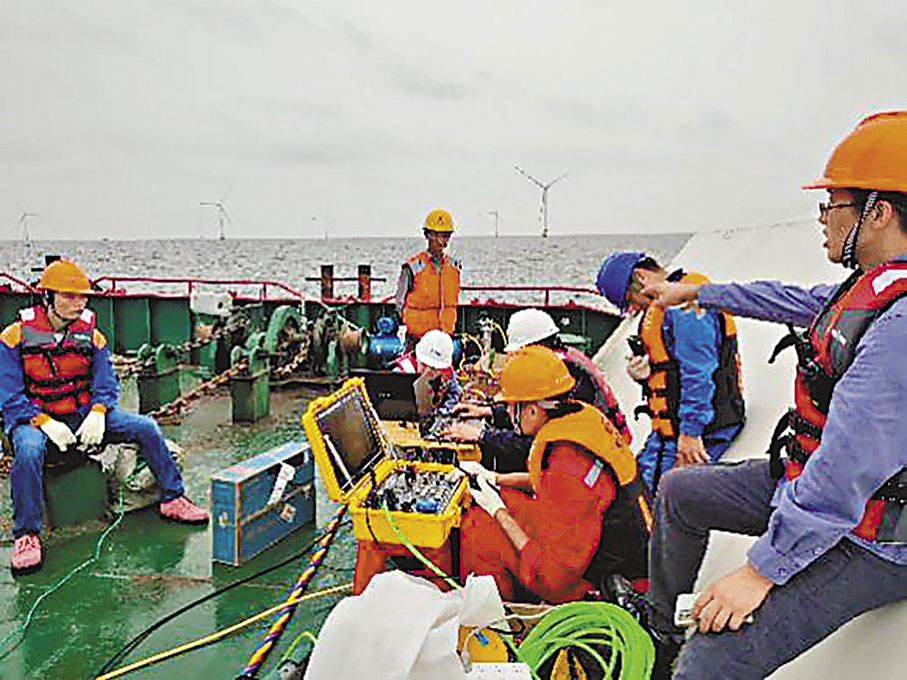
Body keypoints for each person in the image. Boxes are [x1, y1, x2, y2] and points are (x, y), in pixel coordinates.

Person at [640, 111, 907, 679]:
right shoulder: (872, 290)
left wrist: (759, 571)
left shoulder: (900, 328)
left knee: (710, 661)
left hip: (872, 534)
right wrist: (700, 293)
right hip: (809, 485)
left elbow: (844, 473)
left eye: (832, 204)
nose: (823, 219)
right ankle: (659, 634)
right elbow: (790, 299)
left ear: (878, 212)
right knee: (679, 492)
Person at [0, 259, 209, 575]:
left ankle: (172, 498)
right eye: (69, 296)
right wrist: (44, 422)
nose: (78, 303)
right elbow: (9, 397)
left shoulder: (92, 337)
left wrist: (98, 413)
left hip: (82, 414)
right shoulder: (13, 337)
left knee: (146, 427)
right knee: (28, 452)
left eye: (82, 297)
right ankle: (26, 534)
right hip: (34, 419)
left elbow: (106, 385)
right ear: (48, 297)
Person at [459, 346, 651, 603]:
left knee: (478, 529)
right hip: (612, 548)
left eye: (513, 408)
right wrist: (495, 479)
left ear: (533, 410)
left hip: (598, 582)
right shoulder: (582, 417)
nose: (511, 417)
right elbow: (551, 485)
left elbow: (552, 576)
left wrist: (498, 513)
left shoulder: (568, 466)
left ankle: (498, 616)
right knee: (506, 499)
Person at [596, 251, 745, 492]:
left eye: (631, 301)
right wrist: (646, 374)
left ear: (641, 277)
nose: (634, 309)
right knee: (628, 491)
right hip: (667, 434)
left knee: (657, 498)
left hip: (702, 432)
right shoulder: (663, 305)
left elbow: (698, 372)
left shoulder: (686, 303)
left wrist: (691, 433)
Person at [446, 308, 632, 473]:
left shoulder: (563, 374)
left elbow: (537, 444)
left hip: (595, 460)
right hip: (607, 449)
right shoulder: (561, 363)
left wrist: (482, 436)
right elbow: (534, 413)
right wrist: (489, 411)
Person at [394, 209, 462, 346]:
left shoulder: (454, 267)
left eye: (445, 236)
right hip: (417, 340)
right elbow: (399, 305)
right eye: (435, 235)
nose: (440, 241)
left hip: (444, 339)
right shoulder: (412, 267)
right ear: (427, 235)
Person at [412, 329, 461, 417]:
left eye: (434, 368)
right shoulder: (403, 370)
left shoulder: (447, 375)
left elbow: (454, 395)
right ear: (417, 358)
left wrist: (441, 411)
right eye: (424, 365)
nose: (428, 371)